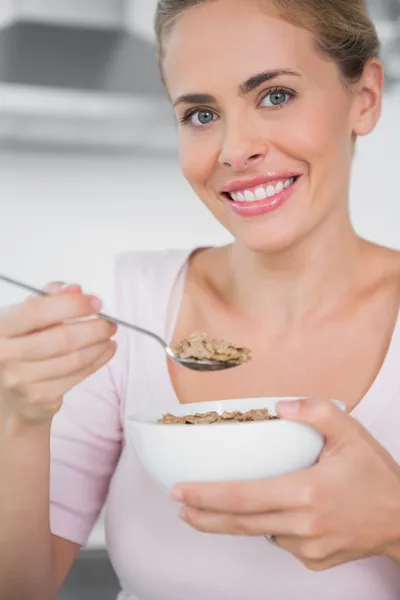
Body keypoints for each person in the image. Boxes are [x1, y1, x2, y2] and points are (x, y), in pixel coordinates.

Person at [1, 0, 400, 598]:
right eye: (201, 113)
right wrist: (19, 416)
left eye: (275, 96)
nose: (235, 150)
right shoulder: (129, 309)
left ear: (364, 97)